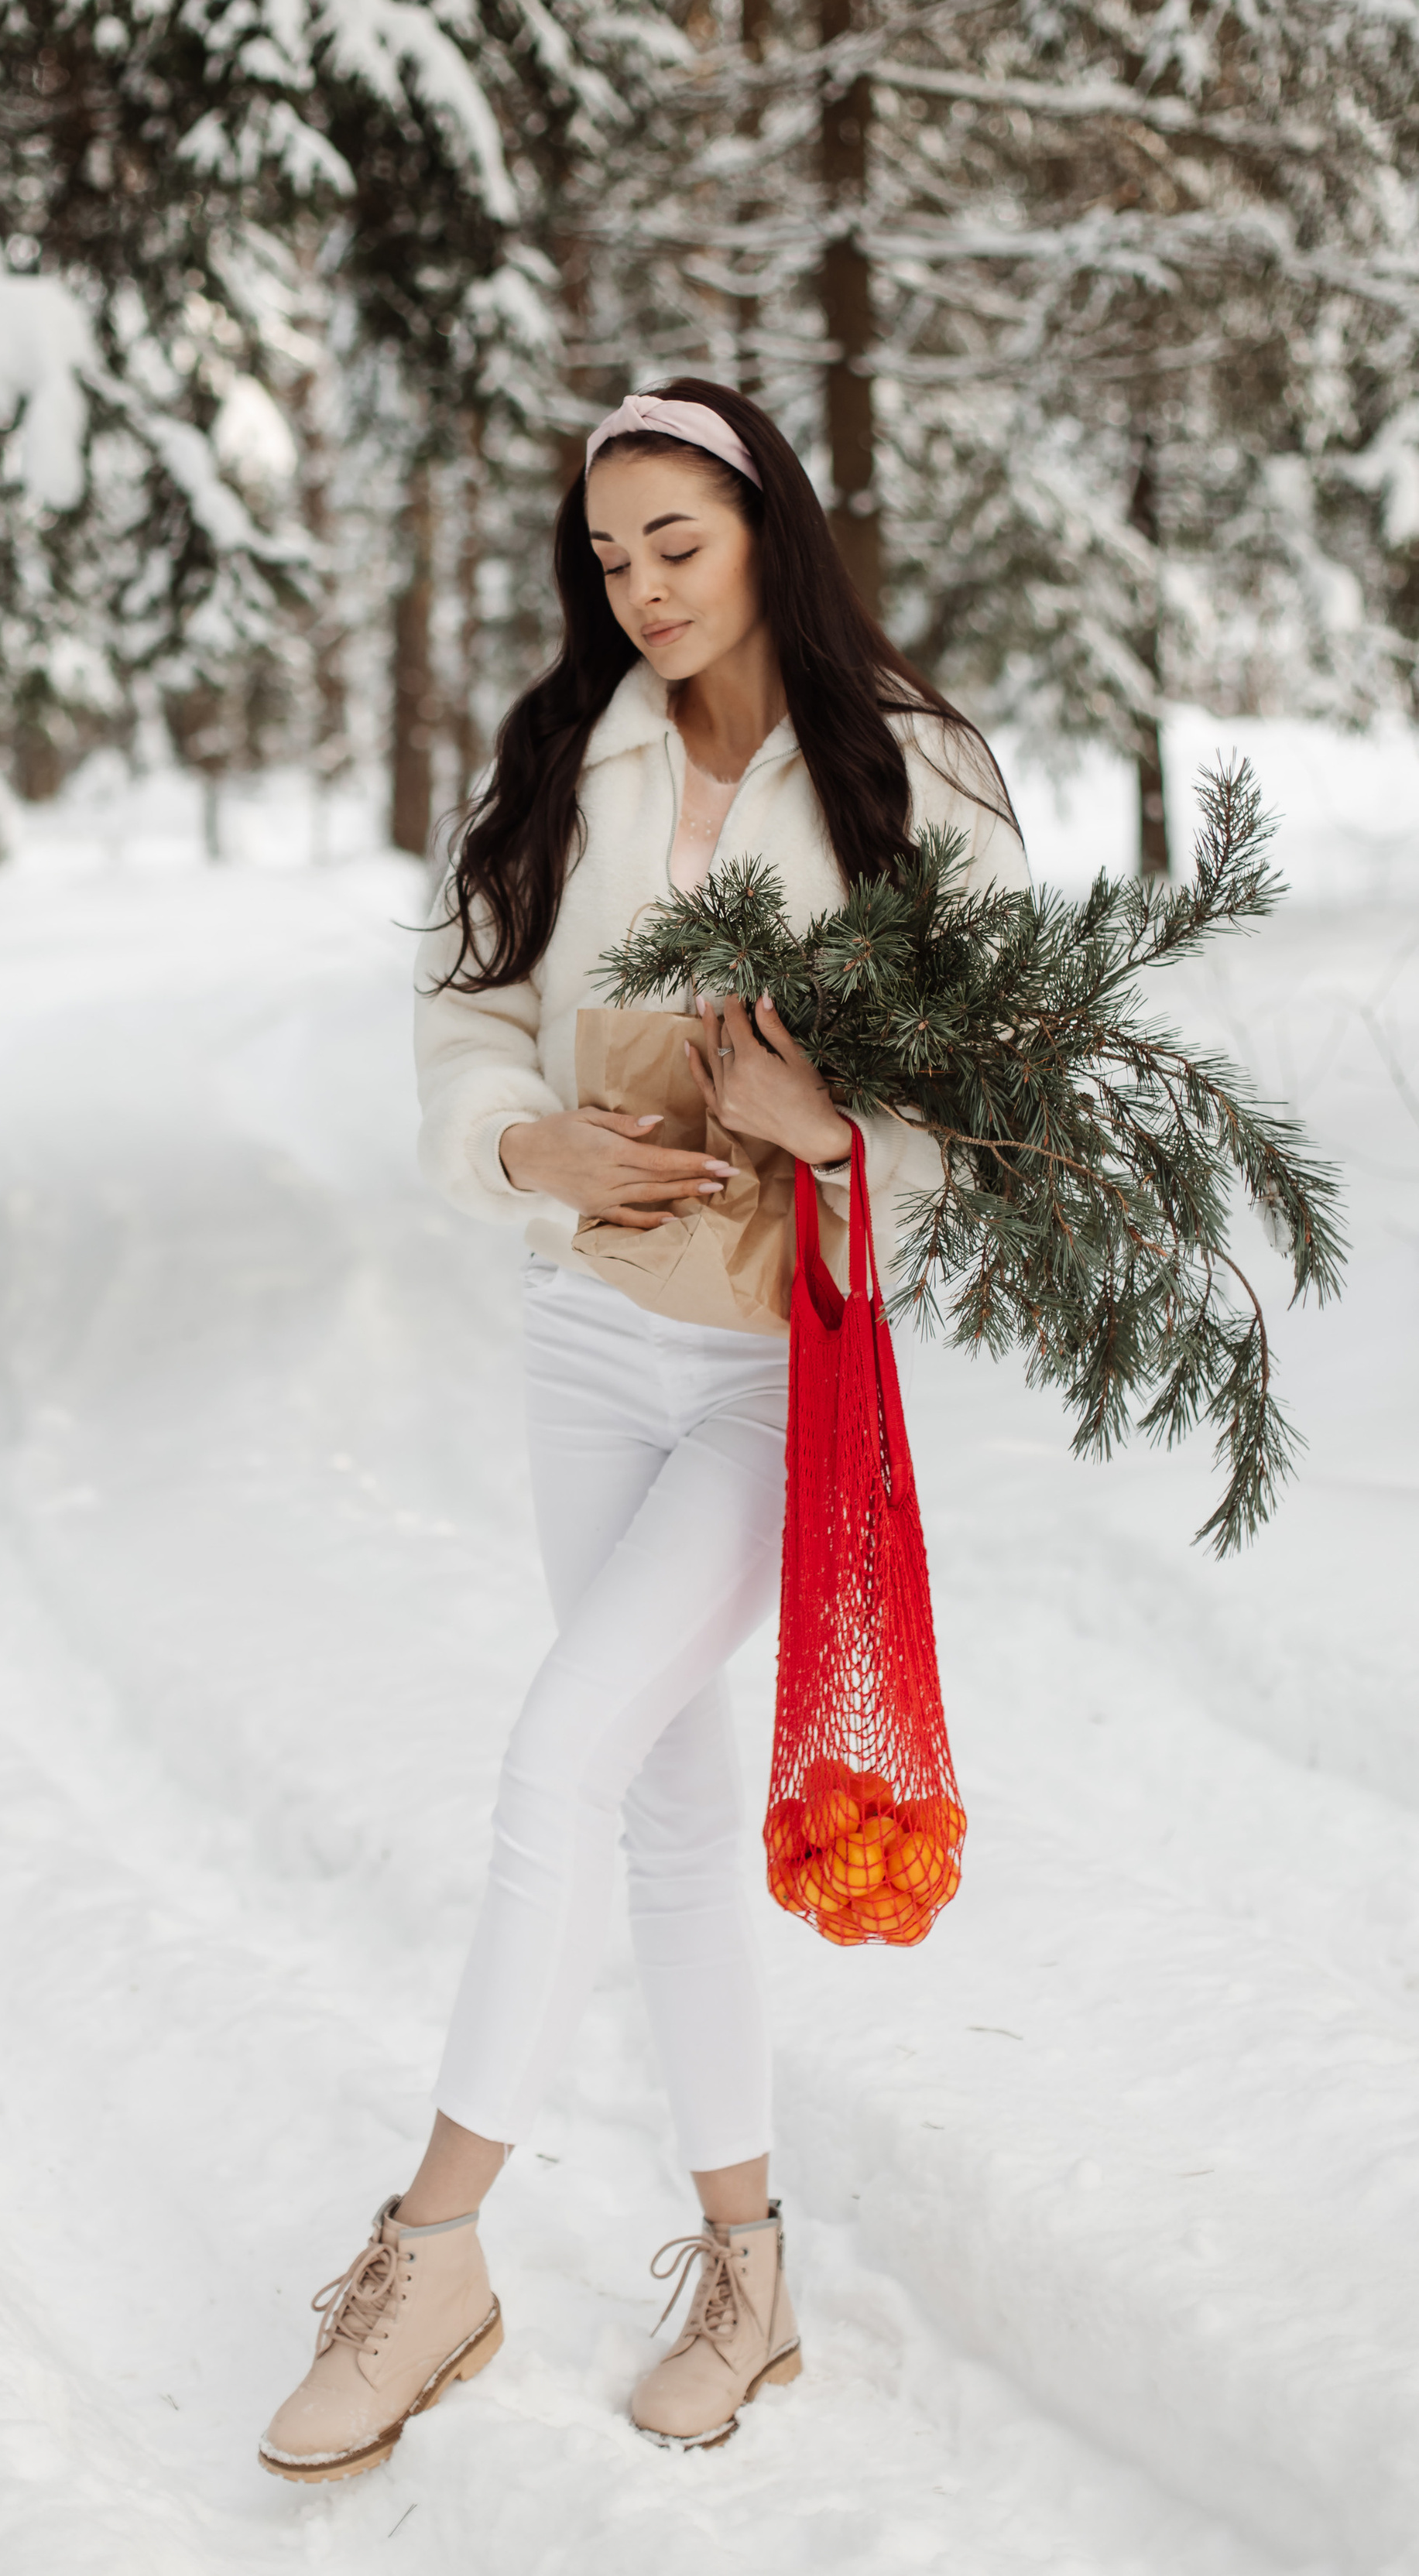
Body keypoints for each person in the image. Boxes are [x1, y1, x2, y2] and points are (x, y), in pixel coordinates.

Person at [259, 382, 1027, 2482]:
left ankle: (435, 2254)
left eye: (678, 544)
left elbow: (988, 1097)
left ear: (769, 526)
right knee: (663, 1809)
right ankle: (749, 2265)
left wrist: (823, 1131)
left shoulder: (914, 773)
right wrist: (527, 1147)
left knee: (557, 1747)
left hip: (786, 1365)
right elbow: (464, 1012)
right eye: (610, 559)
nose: (644, 591)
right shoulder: (552, 761)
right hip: (588, 1334)